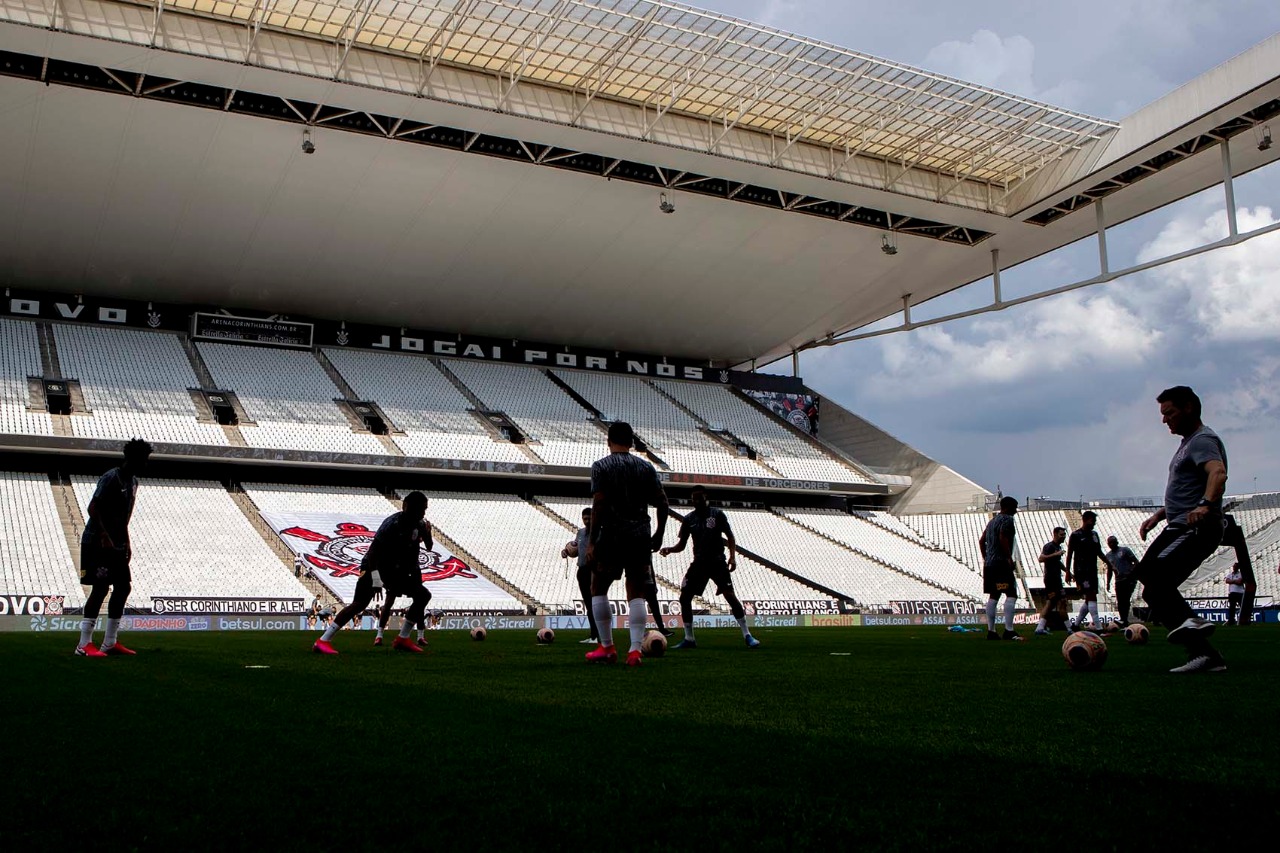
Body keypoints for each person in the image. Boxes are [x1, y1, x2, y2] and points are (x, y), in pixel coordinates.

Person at [1136, 386, 1229, 673]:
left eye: (1169, 413)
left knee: (1154, 575)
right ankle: (1204, 655)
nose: (1165, 420)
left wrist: (1205, 505)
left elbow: (1218, 472)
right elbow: (1189, 486)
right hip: (1178, 524)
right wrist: (1160, 515)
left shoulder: (1203, 440)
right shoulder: (1188, 443)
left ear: (1189, 407)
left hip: (1196, 526)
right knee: (1151, 588)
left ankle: (1195, 623)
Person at [584, 421, 670, 667]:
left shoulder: (601, 466)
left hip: (611, 534)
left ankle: (607, 647)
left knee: (598, 587)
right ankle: (634, 651)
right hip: (639, 535)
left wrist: (591, 542)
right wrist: (660, 533)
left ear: (608, 441)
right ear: (631, 442)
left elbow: (598, 505)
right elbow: (663, 503)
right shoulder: (646, 467)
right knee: (636, 591)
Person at [313, 492, 433, 656]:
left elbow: (429, 546)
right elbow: (373, 554)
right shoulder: (392, 524)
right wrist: (376, 579)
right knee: (359, 604)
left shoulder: (419, 524)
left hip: (394, 570)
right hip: (372, 566)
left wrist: (428, 533)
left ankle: (402, 638)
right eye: (419, 509)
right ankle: (323, 640)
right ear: (405, 507)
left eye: (424, 510)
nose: (422, 514)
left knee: (423, 595)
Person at [75, 438, 153, 657]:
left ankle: (110, 642)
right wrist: (104, 536)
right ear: (133, 459)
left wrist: (126, 541)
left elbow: (124, 517)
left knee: (123, 587)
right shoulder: (111, 478)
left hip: (117, 543)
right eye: (143, 460)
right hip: (97, 542)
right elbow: (93, 508)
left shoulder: (133, 482)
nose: (146, 464)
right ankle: (83, 644)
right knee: (100, 589)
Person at [660, 485, 760, 649]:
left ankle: (747, 635)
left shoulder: (717, 514)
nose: (695, 502)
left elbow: (730, 537)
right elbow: (682, 545)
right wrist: (670, 549)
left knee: (729, 595)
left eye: (699, 498)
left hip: (717, 561)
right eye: (693, 499)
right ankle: (689, 638)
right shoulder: (689, 519)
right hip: (699, 563)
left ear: (706, 498)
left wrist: (733, 557)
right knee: (684, 597)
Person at [979, 496, 1022, 641]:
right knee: (1011, 594)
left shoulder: (992, 521)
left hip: (990, 564)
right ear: (1008, 507)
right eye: (1014, 507)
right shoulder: (1007, 520)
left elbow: (981, 540)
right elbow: (1003, 537)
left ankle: (991, 631)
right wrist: (1008, 557)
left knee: (994, 595)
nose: (1016, 510)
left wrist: (986, 557)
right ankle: (1009, 630)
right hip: (1001, 562)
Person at [562, 508, 602, 645]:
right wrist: (566, 552)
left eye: (589, 518)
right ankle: (593, 636)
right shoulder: (580, 533)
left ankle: (598, 636)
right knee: (589, 604)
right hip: (582, 570)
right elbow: (575, 549)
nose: (587, 521)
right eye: (585, 518)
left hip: (595, 570)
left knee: (595, 604)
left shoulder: (599, 532)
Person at [1066, 511, 1107, 631]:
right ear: (1085, 520)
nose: (1094, 523)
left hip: (1092, 570)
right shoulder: (1076, 535)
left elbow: (1098, 551)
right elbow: (1069, 554)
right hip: (1081, 571)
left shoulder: (1094, 534)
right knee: (1091, 596)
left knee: (1089, 599)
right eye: (1092, 521)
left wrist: (1110, 564)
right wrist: (1068, 571)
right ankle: (1099, 628)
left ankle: (1075, 625)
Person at [1034, 527, 1070, 636]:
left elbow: (1057, 563)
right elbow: (1041, 558)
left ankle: (1040, 628)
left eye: (1064, 534)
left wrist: (1068, 572)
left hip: (1056, 578)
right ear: (1055, 534)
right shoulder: (1049, 546)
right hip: (1051, 579)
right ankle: (1069, 629)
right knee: (1059, 602)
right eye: (1061, 534)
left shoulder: (1057, 547)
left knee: (1052, 603)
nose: (1063, 536)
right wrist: (1056, 554)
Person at [1221, 514, 1256, 626]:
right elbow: (1227, 581)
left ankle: (1245, 619)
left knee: (1242, 606)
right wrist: (1233, 581)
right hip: (1232, 592)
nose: (1234, 567)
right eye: (1234, 566)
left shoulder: (1240, 573)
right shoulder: (1231, 574)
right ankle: (1231, 620)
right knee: (1231, 608)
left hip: (1240, 592)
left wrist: (1233, 581)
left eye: (1235, 566)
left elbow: (1240, 581)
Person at [1104, 535, 1140, 625]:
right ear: (1108, 544)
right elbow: (1109, 570)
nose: (1112, 544)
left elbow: (1136, 561)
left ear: (1117, 542)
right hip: (1118, 580)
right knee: (1120, 600)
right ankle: (1123, 619)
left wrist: (1131, 572)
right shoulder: (1108, 556)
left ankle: (1124, 618)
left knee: (1126, 598)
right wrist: (1108, 583)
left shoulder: (1124, 550)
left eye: (1113, 542)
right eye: (1110, 542)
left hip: (1129, 578)